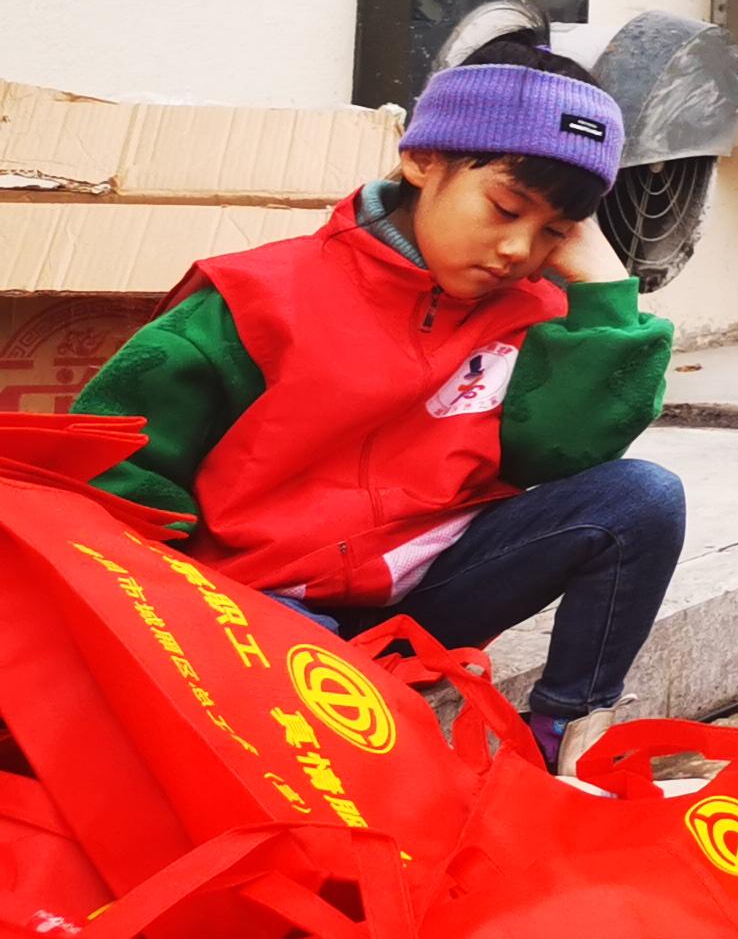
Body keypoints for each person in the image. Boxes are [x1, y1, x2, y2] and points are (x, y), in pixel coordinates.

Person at [75, 38, 682, 767]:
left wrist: (603, 298)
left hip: (427, 594)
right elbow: (115, 465)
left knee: (642, 497)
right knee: (321, 701)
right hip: (258, 602)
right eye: (504, 208)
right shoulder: (258, 298)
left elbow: (560, 452)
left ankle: (568, 736)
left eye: (555, 231)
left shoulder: (532, 313)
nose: (519, 248)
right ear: (423, 161)